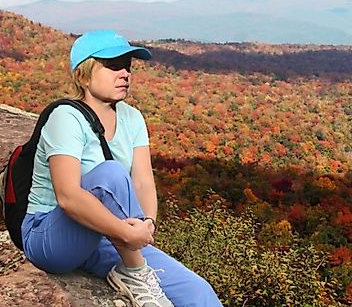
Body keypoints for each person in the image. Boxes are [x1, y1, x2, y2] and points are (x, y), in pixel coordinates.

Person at [21, 30, 222, 307]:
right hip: (50, 237)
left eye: (127, 65)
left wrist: (147, 223)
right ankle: (135, 273)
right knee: (111, 174)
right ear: (84, 74)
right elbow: (67, 196)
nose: (125, 73)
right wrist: (127, 234)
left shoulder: (132, 118)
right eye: (113, 65)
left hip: (107, 236)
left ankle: (135, 269)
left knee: (199, 293)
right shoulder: (65, 117)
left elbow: (142, 182)